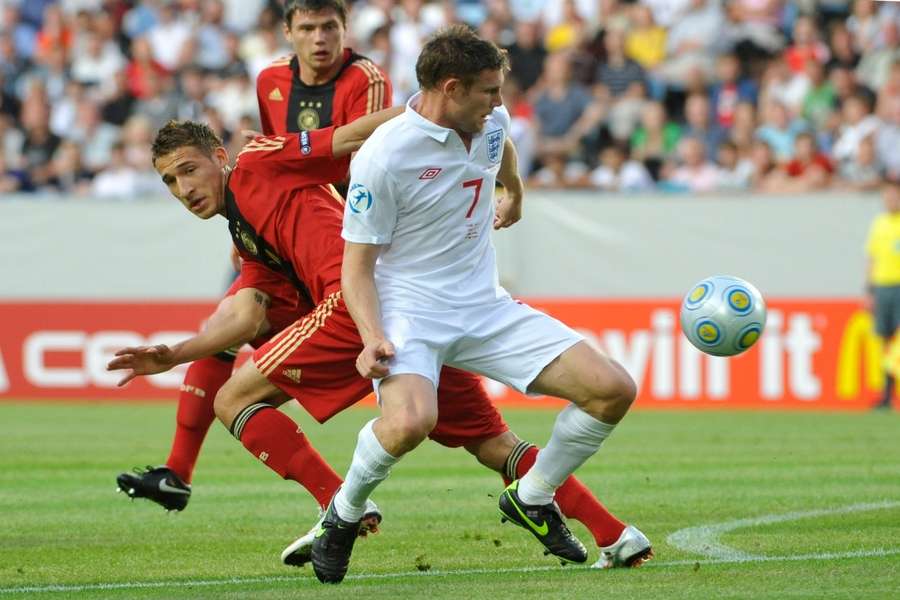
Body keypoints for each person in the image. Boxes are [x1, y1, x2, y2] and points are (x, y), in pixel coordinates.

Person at [132, 113, 651, 571]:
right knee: (491, 443)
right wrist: (176, 353)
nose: (183, 188)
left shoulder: (257, 161)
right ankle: (613, 534)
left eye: (190, 170)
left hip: (355, 301)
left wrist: (426, 113)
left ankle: (338, 506)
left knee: (233, 399)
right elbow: (246, 316)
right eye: (170, 181)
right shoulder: (244, 234)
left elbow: (354, 133)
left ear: (220, 157)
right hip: (416, 311)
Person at [325, 26, 645, 585]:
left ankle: (534, 495)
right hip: (410, 309)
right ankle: (343, 513)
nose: (501, 104)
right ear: (450, 88)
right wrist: (372, 334)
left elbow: (502, 148)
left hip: (484, 305)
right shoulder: (384, 156)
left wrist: (514, 191)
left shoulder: (488, 122)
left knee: (612, 390)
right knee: (410, 422)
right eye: (490, 91)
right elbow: (356, 266)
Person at [115, 0, 390, 513]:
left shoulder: (365, 78)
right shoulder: (269, 82)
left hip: (348, 243)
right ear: (288, 33)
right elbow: (270, 154)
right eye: (306, 28)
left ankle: (340, 505)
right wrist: (250, 227)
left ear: (344, 30)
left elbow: (358, 150)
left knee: (237, 389)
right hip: (273, 238)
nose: (318, 39)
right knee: (230, 320)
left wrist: (438, 115)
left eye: (328, 27)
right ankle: (178, 471)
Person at [865, 177, 900, 410]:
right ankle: (887, 395)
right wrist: (870, 290)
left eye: (894, 195)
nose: (890, 199)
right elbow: (871, 257)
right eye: (886, 195)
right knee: (886, 341)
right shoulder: (879, 223)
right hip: (882, 288)